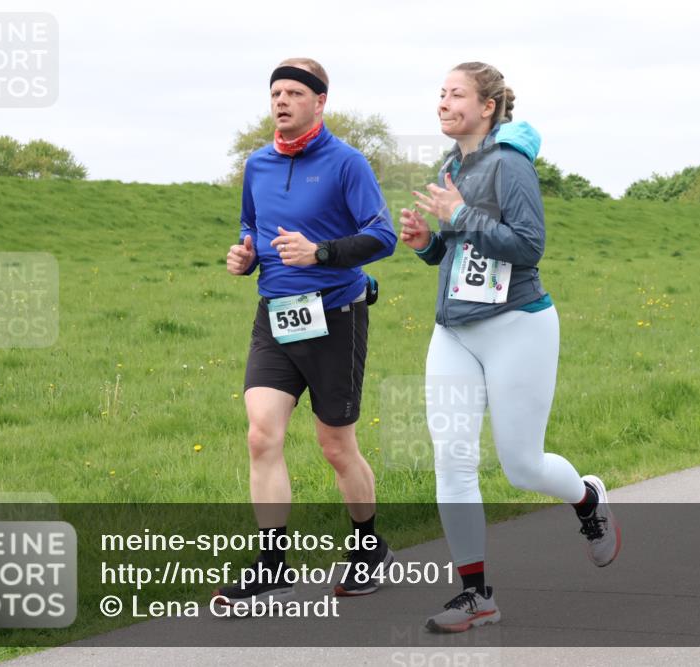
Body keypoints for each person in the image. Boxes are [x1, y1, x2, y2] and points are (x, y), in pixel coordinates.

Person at [399, 62, 621, 633]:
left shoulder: (511, 165)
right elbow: (459, 252)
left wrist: (461, 215)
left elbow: (527, 245)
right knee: (452, 458)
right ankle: (476, 595)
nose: (443, 103)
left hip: (516, 324)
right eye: (440, 93)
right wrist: (428, 243)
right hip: (453, 331)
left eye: (455, 94)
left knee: (522, 466)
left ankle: (588, 502)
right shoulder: (452, 165)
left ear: (488, 107)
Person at [214, 58, 397, 606]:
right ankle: (272, 563)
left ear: (320, 102)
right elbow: (252, 225)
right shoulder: (258, 165)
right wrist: (245, 255)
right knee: (261, 435)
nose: (282, 101)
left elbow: (382, 235)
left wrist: (321, 253)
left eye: (295, 92)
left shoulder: (346, 163)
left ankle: (369, 545)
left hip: (335, 315)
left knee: (335, 445)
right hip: (275, 314)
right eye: (276, 92)